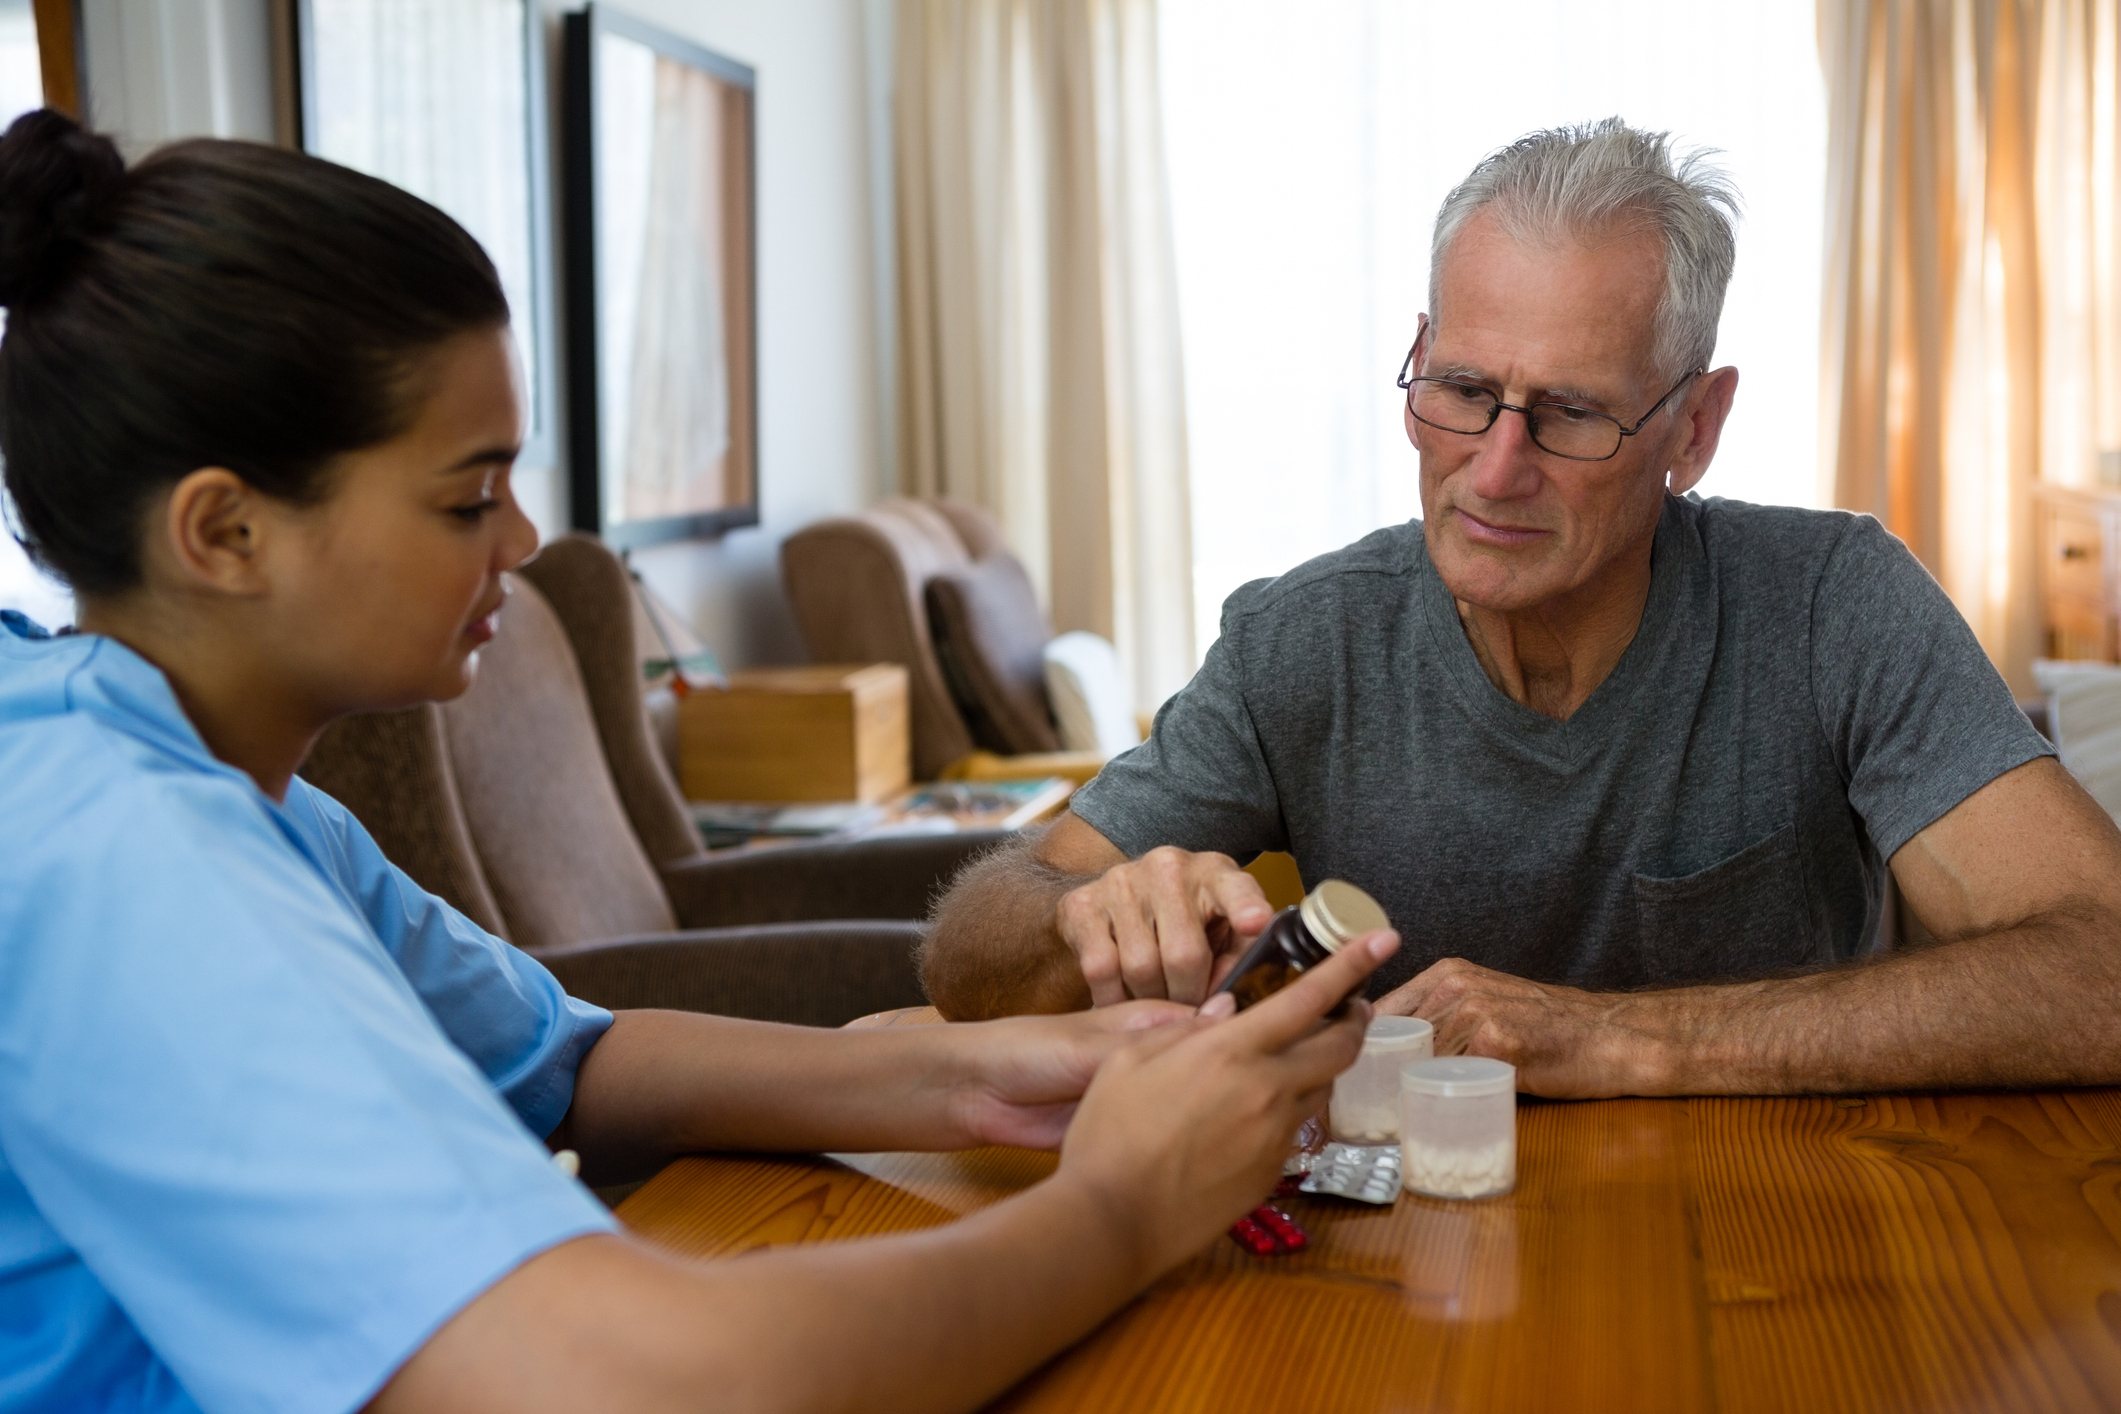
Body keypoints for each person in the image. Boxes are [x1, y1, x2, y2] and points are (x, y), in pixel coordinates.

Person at [0, 110, 1397, 1414]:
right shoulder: (120, 853)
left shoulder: (239, 804)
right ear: (223, 531)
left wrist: (1025, 1067)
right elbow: (645, 1382)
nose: (526, 540)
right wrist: (1121, 1206)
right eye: (470, 495)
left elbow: (579, 1062)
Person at [922, 117, 2121, 1100]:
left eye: (1572, 413)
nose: (1494, 471)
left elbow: (2103, 970)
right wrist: (1081, 914)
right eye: (1462, 390)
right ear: (1417, 367)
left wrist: (1616, 1040)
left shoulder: (1835, 604)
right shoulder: (1299, 640)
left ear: (1692, 430)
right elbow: (968, 957)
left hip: (1795, 1244)